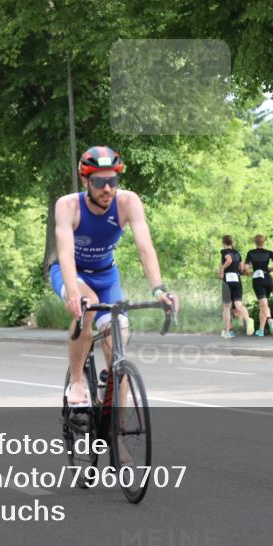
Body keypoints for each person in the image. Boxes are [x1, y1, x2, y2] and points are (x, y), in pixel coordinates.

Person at [53, 146, 177, 407]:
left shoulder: (128, 202)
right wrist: (74, 294)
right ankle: (76, 382)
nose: (107, 189)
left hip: (106, 275)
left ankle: (117, 434)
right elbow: (65, 253)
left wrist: (159, 289)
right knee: (87, 308)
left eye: (112, 181)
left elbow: (145, 248)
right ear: (85, 181)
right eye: (99, 182)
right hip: (71, 273)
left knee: (118, 339)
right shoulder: (67, 205)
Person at [245, 234, 273, 336]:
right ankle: (261, 330)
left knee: (263, 304)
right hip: (268, 279)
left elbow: (245, 268)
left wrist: (250, 273)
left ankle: (270, 319)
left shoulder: (250, 253)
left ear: (255, 242)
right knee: (263, 305)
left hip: (258, 280)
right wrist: (271, 269)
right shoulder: (270, 253)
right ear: (264, 242)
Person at [218, 235, 253, 338]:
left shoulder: (224, 251)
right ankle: (248, 320)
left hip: (227, 281)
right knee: (238, 304)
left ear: (223, 242)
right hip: (237, 280)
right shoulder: (237, 253)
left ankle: (227, 331)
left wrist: (222, 268)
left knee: (226, 307)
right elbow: (241, 268)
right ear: (232, 242)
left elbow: (229, 260)